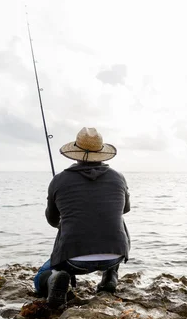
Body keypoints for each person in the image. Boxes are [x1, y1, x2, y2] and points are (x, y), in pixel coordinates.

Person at [34, 127, 131, 308]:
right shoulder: (118, 178)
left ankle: (56, 279)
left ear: (76, 153)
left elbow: (52, 220)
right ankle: (110, 275)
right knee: (117, 219)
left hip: (72, 261)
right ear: (101, 153)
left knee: (40, 277)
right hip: (115, 254)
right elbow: (125, 210)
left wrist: (68, 221)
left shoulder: (59, 180)